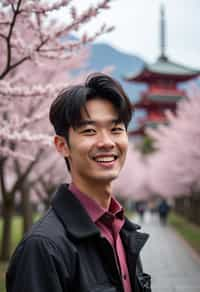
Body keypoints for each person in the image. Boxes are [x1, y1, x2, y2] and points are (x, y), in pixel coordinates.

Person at [6, 73, 151, 292]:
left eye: (116, 129)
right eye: (89, 131)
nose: (106, 142)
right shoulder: (43, 247)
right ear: (62, 145)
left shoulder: (122, 229)